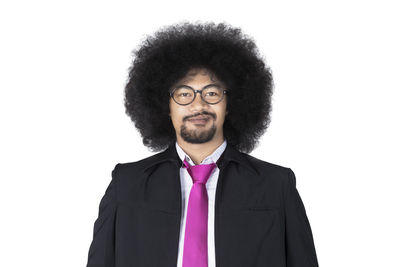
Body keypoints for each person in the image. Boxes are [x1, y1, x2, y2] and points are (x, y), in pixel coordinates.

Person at [86, 22, 319, 267]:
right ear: (165, 106)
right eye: (184, 93)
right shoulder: (127, 184)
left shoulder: (275, 185)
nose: (198, 106)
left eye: (211, 93)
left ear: (231, 103)